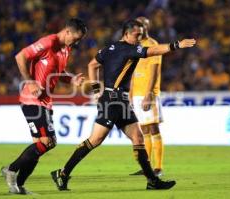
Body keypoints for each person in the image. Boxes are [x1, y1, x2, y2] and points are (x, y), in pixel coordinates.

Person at [51, 19, 196, 191]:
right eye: (137, 35)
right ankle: (63, 173)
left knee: (138, 138)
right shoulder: (130, 49)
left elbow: (93, 65)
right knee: (95, 140)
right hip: (112, 101)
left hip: (120, 101)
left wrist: (97, 91)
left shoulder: (109, 48)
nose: (139, 39)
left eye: (141, 36)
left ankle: (152, 181)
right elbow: (155, 50)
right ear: (126, 34)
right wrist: (177, 45)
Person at [0, 18, 87, 195]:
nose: (76, 42)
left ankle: (19, 186)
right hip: (32, 100)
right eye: (76, 38)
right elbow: (20, 56)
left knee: (38, 146)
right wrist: (30, 82)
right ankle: (10, 169)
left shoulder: (66, 49)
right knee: (49, 142)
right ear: (67, 31)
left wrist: (71, 79)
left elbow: (58, 72)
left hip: (45, 101)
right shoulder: (49, 42)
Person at [129, 16, 164, 177]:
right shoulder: (135, 46)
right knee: (143, 130)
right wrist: (130, 93)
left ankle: (158, 167)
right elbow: (132, 73)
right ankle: (147, 166)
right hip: (136, 93)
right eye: (137, 25)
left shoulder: (152, 45)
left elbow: (154, 72)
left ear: (147, 27)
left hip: (148, 93)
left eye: (142, 25)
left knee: (153, 127)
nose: (139, 28)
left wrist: (149, 94)